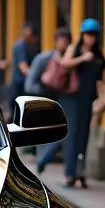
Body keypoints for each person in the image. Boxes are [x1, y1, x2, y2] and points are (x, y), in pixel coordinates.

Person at [58, 18, 105, 189]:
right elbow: (64, 64)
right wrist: (82, 59)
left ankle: (80, 173)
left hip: (88, 100)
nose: (91, 38)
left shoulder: (98, 56)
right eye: (88, 34)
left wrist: (104, 98)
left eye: (94, 35)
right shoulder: (75, 49)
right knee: (72, 136)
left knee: (84, 137)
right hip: (72, 99)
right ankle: (69, 174)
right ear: (82, 35)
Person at [31, 28, 73, 174]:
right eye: (61, 41)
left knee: (61, 134)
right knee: (43, 133)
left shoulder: (70, 60)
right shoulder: (44, 59)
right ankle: (40, 161)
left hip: (63, 103)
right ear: (55, 42)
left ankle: (43, 160)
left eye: (66, 42)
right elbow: (30, 83)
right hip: (45, 102)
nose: (64, 44)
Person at [8, 21, 39, 110]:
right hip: (19, 83)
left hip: (27, 83)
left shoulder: (32, 45)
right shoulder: (19, 46)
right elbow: (24, 68)